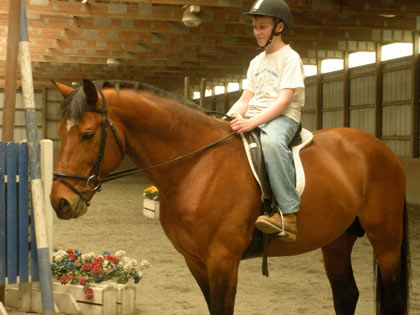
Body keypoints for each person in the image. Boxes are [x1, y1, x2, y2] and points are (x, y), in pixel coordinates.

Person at [227, 0, 305, 241]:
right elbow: (246, 98)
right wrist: (231, 115)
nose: (257, 32)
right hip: (255, 115)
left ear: (279, 27)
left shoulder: (290, 58)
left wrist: (251, 123)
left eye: (262, 27)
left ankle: (288, 214)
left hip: (283, 117)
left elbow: (283, 102)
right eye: (254, 27)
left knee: (271, 144)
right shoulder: (256, 62)